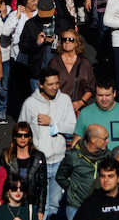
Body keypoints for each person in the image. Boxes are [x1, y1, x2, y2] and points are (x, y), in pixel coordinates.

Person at [18, 68, 76, 220]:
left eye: (57, 83)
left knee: (55, 203)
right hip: (39, 162)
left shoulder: (65, 100)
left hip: (59, 161)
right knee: (39, 204)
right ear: (41, 85)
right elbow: (21, 130)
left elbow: (72, 126)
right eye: (50, 84)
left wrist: (53, 123)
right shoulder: (30, 104)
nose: (55, 87)